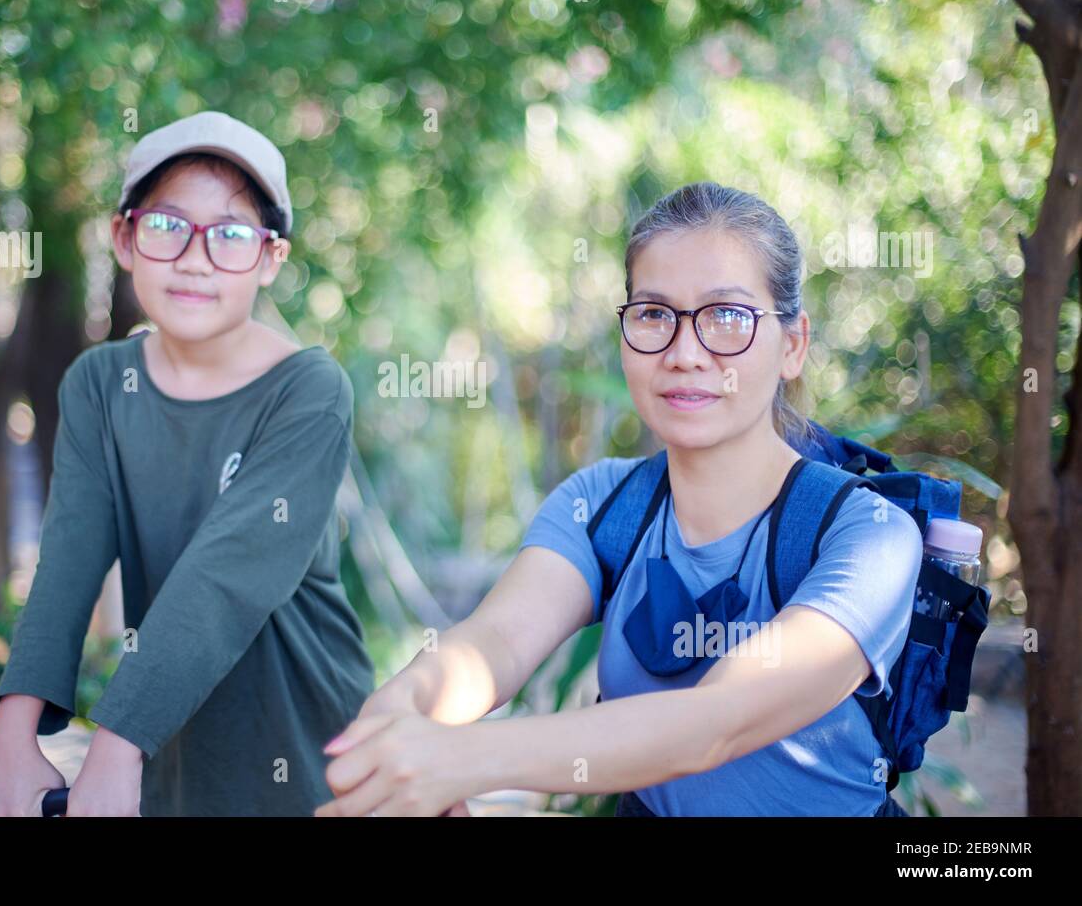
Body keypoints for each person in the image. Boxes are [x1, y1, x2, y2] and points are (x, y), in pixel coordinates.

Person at [317, 181, 922, 817]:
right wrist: (400, 715)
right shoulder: (604, 504)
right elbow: (493, 643)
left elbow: (714, 722)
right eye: (655, 315)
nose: (686, 354)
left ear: (793, 345)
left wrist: (456, 760)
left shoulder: (868, 534)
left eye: (727, 316)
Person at [0, 110, 374, 816]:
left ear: (271, 258)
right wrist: (12, 738)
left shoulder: (309, 392)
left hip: (308, 758)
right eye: (166, 226)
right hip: (166, 757)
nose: (195, 258)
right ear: (124, 238)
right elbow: (68, 560)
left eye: (230, 235)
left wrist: (114, 743)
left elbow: (222, 579)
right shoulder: (99, 386)